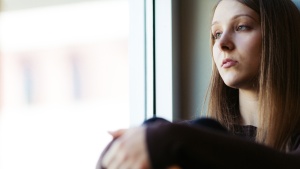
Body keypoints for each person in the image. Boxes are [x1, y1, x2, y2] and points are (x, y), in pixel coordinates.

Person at [98, 0, 300, 168]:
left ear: (280, 37)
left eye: (241, 27)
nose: (222, 44)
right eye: (217, 34)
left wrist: (169, 138)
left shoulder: (185, 140)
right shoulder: (190, 139)